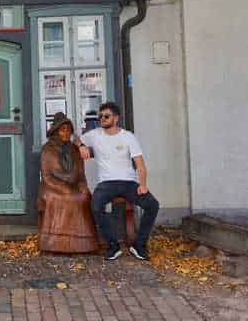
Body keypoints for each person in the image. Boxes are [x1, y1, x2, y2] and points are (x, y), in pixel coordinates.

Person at [76, 102, 159, 261]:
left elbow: (140, 165)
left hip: (129, 182)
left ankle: (139, 245)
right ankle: (113, 246)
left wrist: (142, 184)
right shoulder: (95, 134)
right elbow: (75, 138)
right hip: (106, 183)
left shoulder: (128, 136)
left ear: (116, 118)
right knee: (95, 206)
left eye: (106, 116)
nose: (102, 119)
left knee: (153, 205)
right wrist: (81, 145)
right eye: (100, 116)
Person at [37, 112, 100, 253]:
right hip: (52, 188)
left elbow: (81, 174)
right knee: (64, 198)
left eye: (68, 130)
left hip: (73, 186)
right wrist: (64, 188)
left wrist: (83, 185)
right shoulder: (47, 149)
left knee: (84, 196)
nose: (66, 133)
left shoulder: (74, 149)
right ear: (56, 131)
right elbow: (46, 177)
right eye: (62, 130)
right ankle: (55, 242)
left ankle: (85, 243)